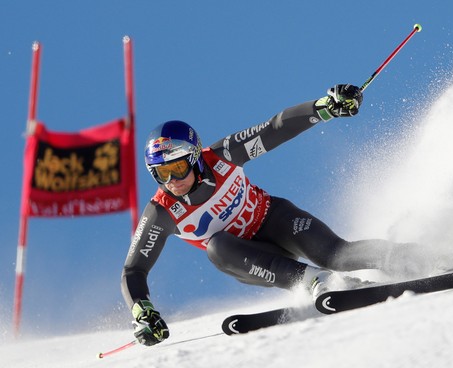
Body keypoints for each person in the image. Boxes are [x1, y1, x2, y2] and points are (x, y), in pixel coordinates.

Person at [121, 84, 400, 346]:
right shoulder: (162, 211)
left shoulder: (222, 156)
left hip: (276, 220)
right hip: (251, 257)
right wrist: (142, 312)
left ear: (194, 157)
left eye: (178, 168)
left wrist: (325, 106)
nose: (172, 181)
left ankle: (412, 257)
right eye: (161, 173)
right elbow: (134, 270)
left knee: (336, 255)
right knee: (217, 247)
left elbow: (274, 128)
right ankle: (315, 281)